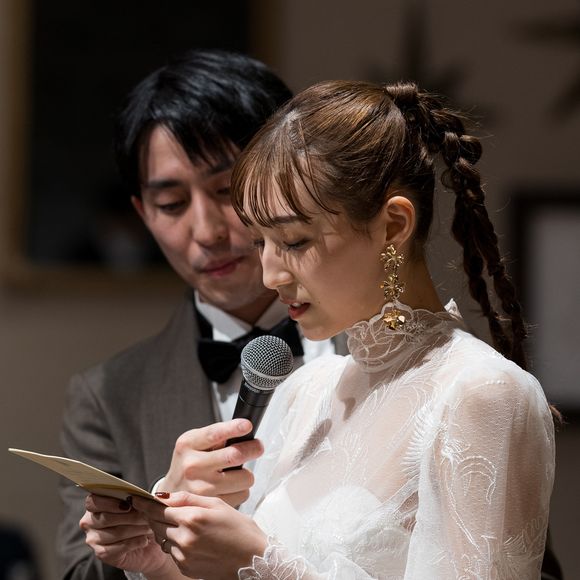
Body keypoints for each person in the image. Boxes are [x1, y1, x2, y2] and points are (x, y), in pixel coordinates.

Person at [80, 80, 562, 579]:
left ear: (394, 226)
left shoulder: (481, 391)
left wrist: (263, 564)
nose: (270, 275)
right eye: (260, 242)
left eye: (293, 240)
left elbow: (260, 562)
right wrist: (160, 563)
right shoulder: (305, 390)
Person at [59, 50, 345, 580]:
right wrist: (154, 536)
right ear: (143, 214)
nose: (208, 231)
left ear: (292, 177)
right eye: (171, 204)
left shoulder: (403, 350)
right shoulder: (107, 397)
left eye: (228, 190)